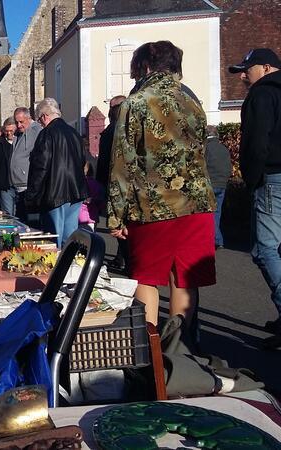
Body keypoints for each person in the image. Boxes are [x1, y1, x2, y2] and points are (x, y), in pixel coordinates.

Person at [107, 41, 216, 335]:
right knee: (184, 279)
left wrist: (116, 216)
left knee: (145, 279)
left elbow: (122, 163)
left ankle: (151, 353)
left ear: (144, 67)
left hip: (154, 204)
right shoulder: (193, 103)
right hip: (197, 204)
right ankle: (180, 348)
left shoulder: (138, 102)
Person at [229, 48, 281, 347]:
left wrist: (252, 181)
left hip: (276, 179)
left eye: (247, 69)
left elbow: (256, 143)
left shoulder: (262, 95)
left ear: (265, 68)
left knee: (264, 250)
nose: (243, 75)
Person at [26, 98, 88, 248]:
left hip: (54, 193)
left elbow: (40, 167)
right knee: (69, 238)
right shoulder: (74, 133)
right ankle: (69, 268)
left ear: (44, 116)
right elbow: (82, 161)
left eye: (40, 120)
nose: (40, 124)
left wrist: (32, 194)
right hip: (75, 191)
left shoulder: (47, 134)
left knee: (53, 240)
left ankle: (54, 270)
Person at [97, 95, 129, 271]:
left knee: (119, 226)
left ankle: (124, 259)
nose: (109, 111)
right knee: (120, 227)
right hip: (116, 182)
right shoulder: (115, 129)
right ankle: (121, 257)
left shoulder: (114, 131)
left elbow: (106, 160)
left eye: (112, 107)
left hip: (115, 183)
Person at [3, 107, 42, 221]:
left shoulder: (36, 131)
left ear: (28, 118)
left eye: (21, 122)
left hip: (28, 186)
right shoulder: (19, 133)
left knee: (31, 221)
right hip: (18, 186)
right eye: (16, 122)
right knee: (21, 220)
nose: (18, 125)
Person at [204, 125, 232, 249]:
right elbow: (229, 167)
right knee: (217, 213)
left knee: (207, 214)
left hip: (210, 183)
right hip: (222, 184)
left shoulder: (206, 148)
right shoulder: (224, 149)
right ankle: (217, 239)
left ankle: (216, 239)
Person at [79, 164, 104, 232]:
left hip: (79, 217)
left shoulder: (80, 184)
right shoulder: (98, 185)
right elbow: (101, 203)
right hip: (92, 218)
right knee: (90, 239)